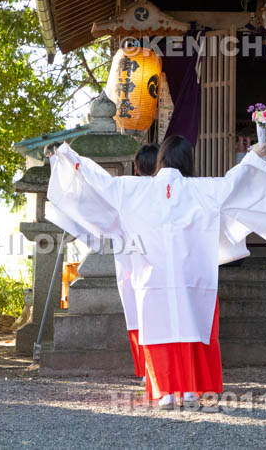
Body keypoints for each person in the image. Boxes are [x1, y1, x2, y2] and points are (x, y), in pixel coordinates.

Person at [47, 135, 266, 410]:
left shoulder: (132, 189)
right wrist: (252, 155)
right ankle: (191, 391)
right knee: (191, 327)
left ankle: (166, 393)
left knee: (158, 332)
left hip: (152, 278)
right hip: (191, 277)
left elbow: (99, 182)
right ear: (187, 161)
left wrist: (70, 158)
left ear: (161, 159)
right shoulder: (201, 189)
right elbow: (235, 181)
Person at [117, 142, 159, 381]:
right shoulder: (166, 190)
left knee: (136, 312)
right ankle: (159, 371)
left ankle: (146, 369)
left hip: (131, 258)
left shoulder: (124, 188)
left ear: (135, 167)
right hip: (159, 259)